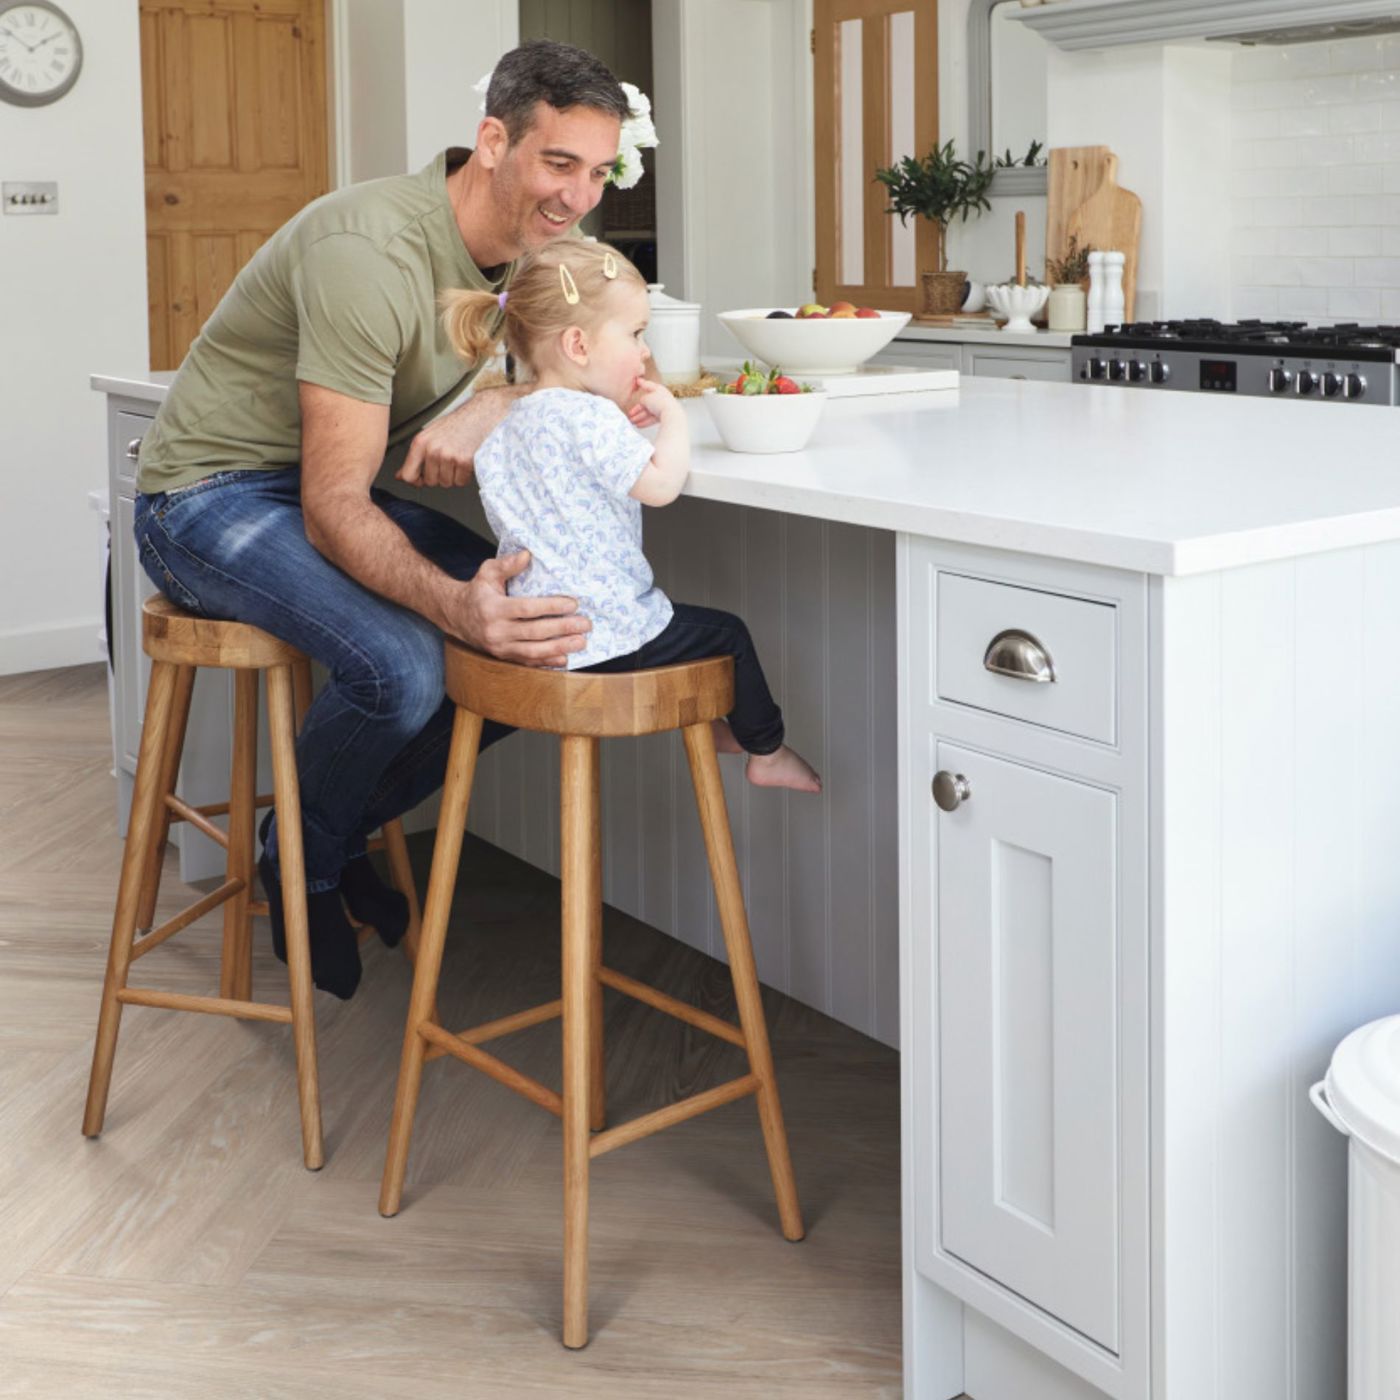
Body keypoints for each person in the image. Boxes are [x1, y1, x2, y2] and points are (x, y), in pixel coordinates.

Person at [131, 41, 636, 999]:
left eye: (599, 172)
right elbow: (333, 508)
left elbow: (558, 359)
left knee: (540, 625)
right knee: (403, 667)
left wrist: (500, 397)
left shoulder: (524, 252)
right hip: (204, 494)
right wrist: (453, 604)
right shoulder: (369, 252)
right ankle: (311, 865)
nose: (578, 197)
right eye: (559, 163)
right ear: (493, 142)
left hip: (311, 488)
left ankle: (313, 839)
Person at [442, 240, 823, 795]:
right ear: (577, 344)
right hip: (605, 637)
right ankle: (766, 748)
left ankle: (729, 726)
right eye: (637, 334)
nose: (645, 353)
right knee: (729, 636)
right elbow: (661, 486)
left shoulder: (507, 425)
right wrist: (673, 417)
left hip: (539, 642)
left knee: (705, 634)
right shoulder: (591, 418)